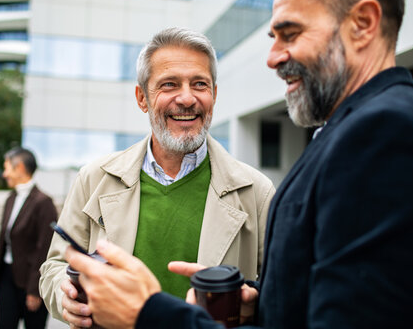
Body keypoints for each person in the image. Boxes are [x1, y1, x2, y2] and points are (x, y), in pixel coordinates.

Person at [62, 0, 413, 328]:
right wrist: (259, 303)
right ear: (142, 98)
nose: (272, 58)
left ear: (363, 23)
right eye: (273, 38)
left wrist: (148, 314)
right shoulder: (354, 130)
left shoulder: (390, 137)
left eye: (290, 33)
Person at [39, 27, 275, 327]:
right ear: (142, 98)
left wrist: (255, 304)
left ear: (214, 95)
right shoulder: (94, 178)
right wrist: (65, 297)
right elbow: (55, 266)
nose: (187, 98)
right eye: (169, 85)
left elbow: (283, 292)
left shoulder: (257, 192)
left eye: (200, 84)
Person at [0, 147, 57, 329]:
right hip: (7, 277)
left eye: (6, 168)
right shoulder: (11, 198)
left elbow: (45, 249)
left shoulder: (44, 202)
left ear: (19, 167)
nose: (4, 174)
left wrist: (34, 290)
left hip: (31, 281)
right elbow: (4, 241)